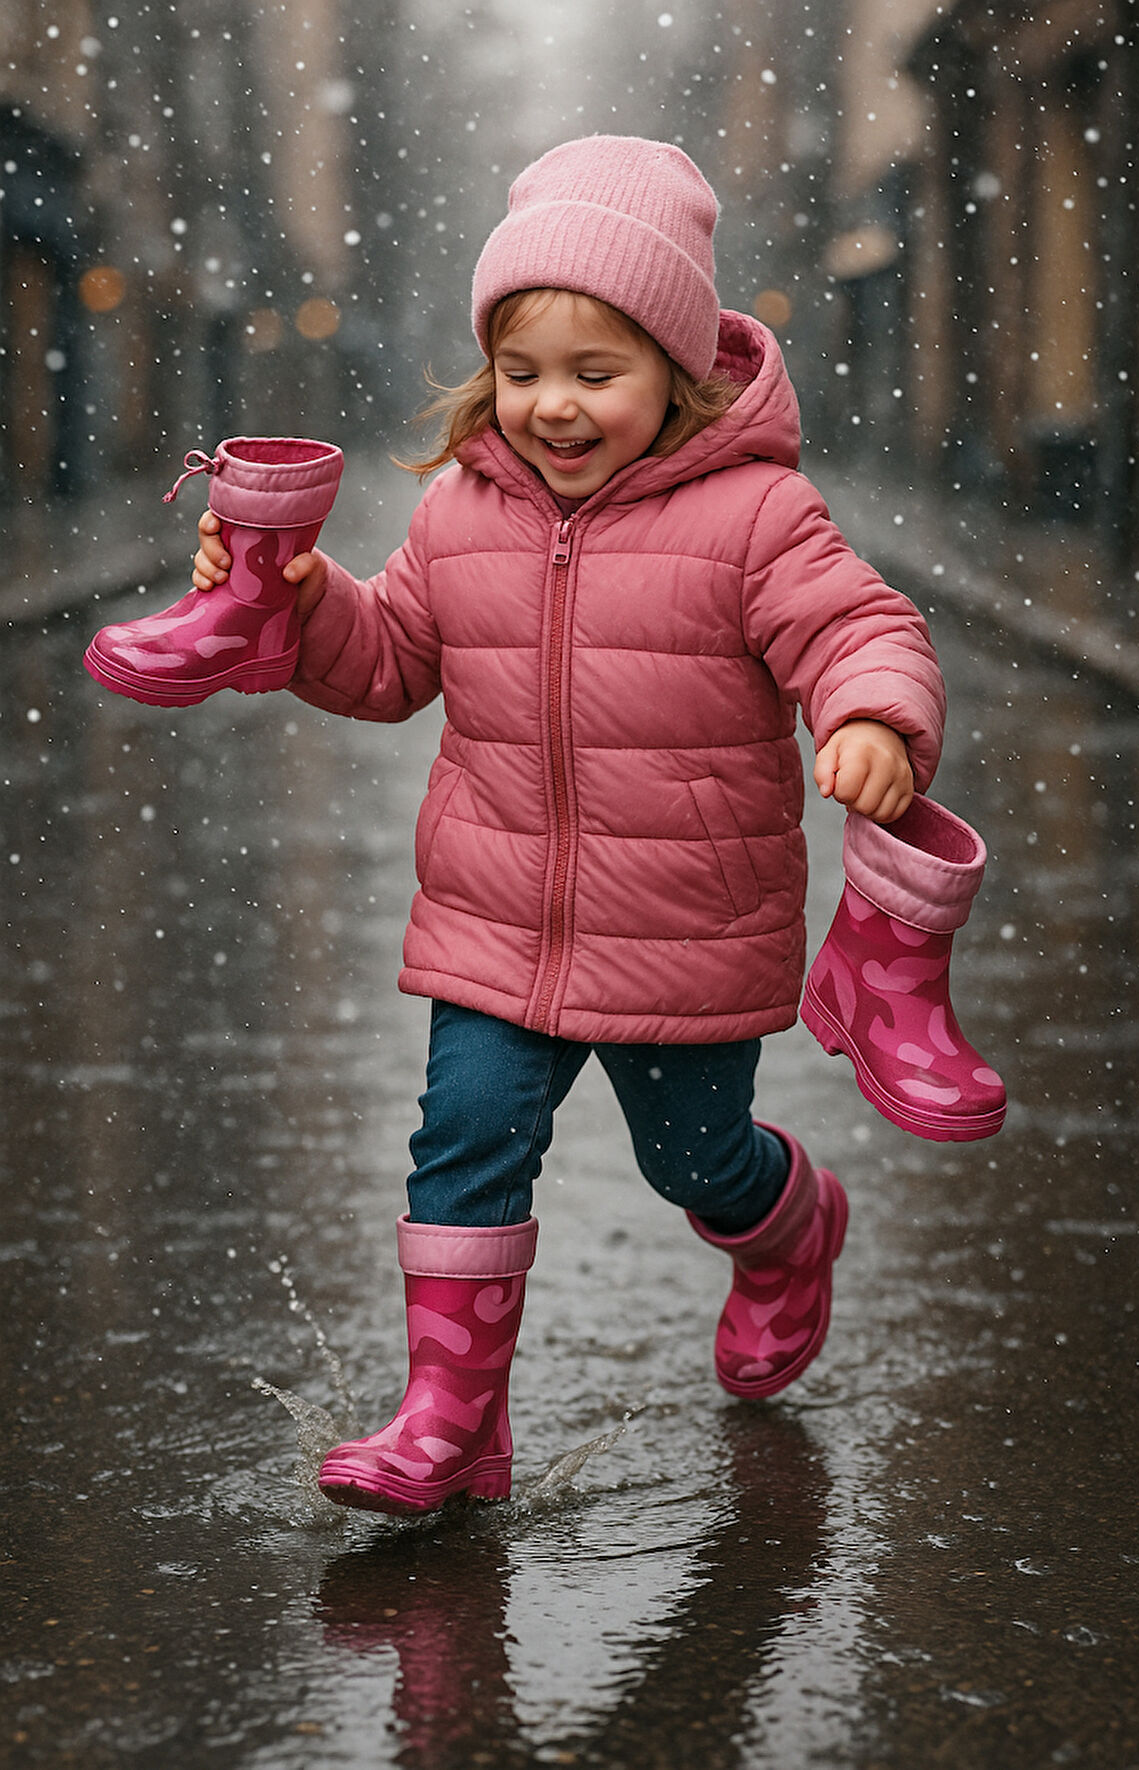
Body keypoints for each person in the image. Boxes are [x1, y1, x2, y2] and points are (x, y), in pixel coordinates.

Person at [192, 136, 947, 1518]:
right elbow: (387, 659)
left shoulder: (755, 514)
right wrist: (295, 604)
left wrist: (873, 718)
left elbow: (858, 623)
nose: (552, 406)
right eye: (523, 369)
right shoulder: (459, 513)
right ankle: (450, 1421)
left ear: (676, 370)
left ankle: (790, 1228)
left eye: (594, 374)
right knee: (465, 1132)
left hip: (686, 930)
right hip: (494, 925)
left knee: (695, 1160)